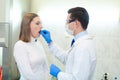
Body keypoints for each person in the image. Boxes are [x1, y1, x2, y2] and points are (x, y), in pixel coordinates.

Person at [40, 7, 96, 80]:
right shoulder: (79, 42)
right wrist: (50, 43)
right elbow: (67, 58)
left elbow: (77, 79)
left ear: (76, 23)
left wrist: (58, 74)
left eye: (67, 21)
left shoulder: (83, 47)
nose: (66, 24)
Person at [13, 13, 49, 80]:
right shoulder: (20, 45)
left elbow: (46, 67)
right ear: (27, 26)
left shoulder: (38, 43)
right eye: (37, 23)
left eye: (41, 23)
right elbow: (27, 74)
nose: (41, 26)